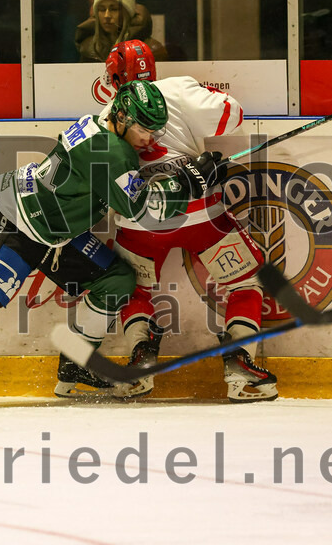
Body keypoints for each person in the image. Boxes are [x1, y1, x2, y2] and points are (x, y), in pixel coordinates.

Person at [0, 79, 226, 409]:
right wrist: (188, 184)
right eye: (144, 128)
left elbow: (124, 189)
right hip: (18, 227)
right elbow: (139, 209)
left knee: (115, 280)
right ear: (120, 116)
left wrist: (181, 179)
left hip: (56, 235)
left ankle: (74, 367)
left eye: (156, 129)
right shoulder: (111, 151)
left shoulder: (102, 130)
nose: (152, 138)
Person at [101, 40, 277, 402]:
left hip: (139, 221)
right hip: (199, 212)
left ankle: (139, 362)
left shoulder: (104, 113)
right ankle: (240, 366)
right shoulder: (177, 88)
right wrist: (206, 91)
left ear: (113, 77)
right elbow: (234, 113)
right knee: (247, 282)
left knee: (135, 289)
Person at [75, 0, 167, 63]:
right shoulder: (90, 50)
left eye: (114, 9)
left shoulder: (151, 50)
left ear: (127, 12)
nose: (107, 15)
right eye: (101, 9)